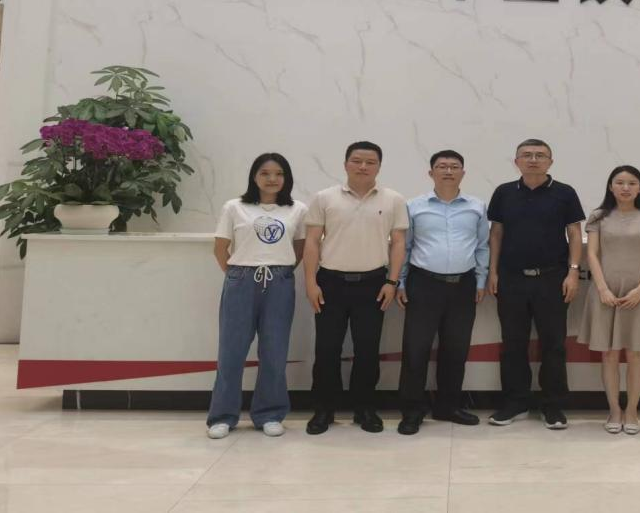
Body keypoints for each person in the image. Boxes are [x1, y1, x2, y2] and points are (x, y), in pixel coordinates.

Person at [303, 141, 408, 435]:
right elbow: (311, 241)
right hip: (330, 283)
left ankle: (365, 409)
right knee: (327, 349)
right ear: (346, 164)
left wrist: (392, 282)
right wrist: (310, 283)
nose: (363, 166)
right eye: (357, 160)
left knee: (368, 350)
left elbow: (399, 243)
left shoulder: (393, 199)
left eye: (370, 162)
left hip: (373, 284)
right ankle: (324, 410)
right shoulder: (324, 198)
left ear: (379, 166)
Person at [206, 153, 307, 439]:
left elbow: (300, 249)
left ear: (286, 178)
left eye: (279, 173)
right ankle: (222, 416)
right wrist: (238, 274)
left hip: (280, 282)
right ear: (254, 176)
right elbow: (220, 248)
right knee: (231, 351)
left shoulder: (297, 209)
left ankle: (270, 414)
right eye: (265, 173)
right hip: (241, 280)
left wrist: (279, 272)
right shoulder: (235, 207)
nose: (272, 179)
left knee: (275, 351)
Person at [487, 139, 585, 429]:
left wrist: (573, 272)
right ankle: (515, 402)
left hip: (553, 278)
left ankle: (552, 405)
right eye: (527, 155)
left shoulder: (565, 193)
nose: (533, 160)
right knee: (512, 343)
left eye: (540, 155)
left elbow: (575, 234)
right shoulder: (504, 192)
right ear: (516, 161)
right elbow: (496, 234)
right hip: (511, 278)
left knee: (553, 344)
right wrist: (492, 271)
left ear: (550, 162)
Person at [395, 150, 490, 435]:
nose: (448, 171)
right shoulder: (414, 206)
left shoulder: (477, 206)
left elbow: (482, 246)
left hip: (463, 285)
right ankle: (412, 411)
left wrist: (481, 281)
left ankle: (448, 406)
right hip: (423, 283)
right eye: (442, 166)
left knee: (456, 349)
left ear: (463, 172)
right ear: (431, 172)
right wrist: (400, 282)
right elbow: (405, 247)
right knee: (416, 349)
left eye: (454, 166)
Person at [578, 165, 640, 435]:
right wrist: (602, 288)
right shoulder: (599, 216)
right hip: (605, 292)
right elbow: (592, 254)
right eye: (620, 182)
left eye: (632, 183)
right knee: (609, 354)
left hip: (638, 292)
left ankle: (632, 411)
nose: (626, 188)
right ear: (610, 186)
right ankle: (614, 409)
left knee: (636, 354)